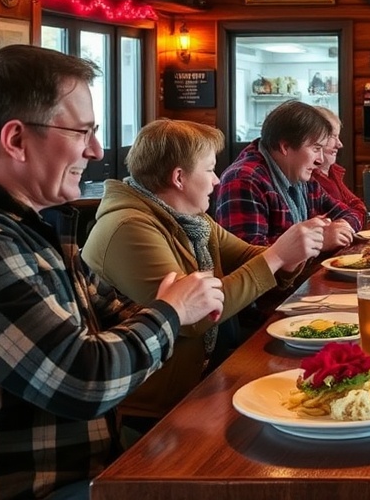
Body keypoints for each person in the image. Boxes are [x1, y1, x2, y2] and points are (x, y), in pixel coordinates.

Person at [0, 46, 223, 500]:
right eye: (82, 131)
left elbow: (115, 311)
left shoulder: (36, 223)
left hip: (98, 462)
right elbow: (84, 379)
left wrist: (162, 313)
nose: (98, 150)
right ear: (17, 140)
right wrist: (173, 311)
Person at [81, 119, 327, 445]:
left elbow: (249, 256)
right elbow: (191, 318)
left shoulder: (192, 219)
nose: (216, 179)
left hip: (203, 384)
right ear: (179, 178)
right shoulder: (128, 227)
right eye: (210, 169)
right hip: (152, 415)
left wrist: (289, 257)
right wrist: (278, 256)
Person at [215, 99, 361, 253]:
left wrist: (341, 227)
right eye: (316, 148)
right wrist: (319, 240)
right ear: (285, 147)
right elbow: (246, 258)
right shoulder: (244, 179)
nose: (320, 160)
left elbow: (351, 213)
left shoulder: (299, 174)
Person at [312, 106, 367, 228]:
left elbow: (360, 208)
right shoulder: (308, 179)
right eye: (333, 136)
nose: (340, 144)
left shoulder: (333, 171)